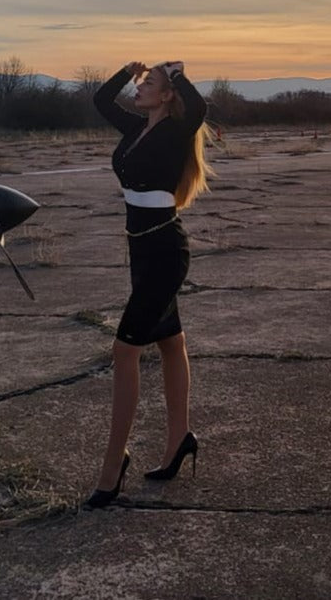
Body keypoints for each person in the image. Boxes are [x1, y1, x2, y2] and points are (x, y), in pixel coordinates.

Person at [85, 59, 210, 509]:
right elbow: (100, 99)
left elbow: (200, 105)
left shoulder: (178, 130)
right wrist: (124, 70)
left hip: (164, 253)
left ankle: (112, 464)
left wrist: (175, 73)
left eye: (148, 83)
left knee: (124, 351)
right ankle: (180, 440)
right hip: (141, 250)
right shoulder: (135, 127)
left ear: (168, 94)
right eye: (141, 83)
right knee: (171, 343)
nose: (139, 88)